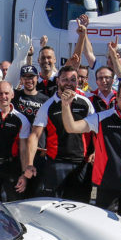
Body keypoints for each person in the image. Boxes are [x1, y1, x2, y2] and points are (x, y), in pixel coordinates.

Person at [58, 78, 121, 223]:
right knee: (104, 226)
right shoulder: (102, 118)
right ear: (116, 97)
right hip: (106, 184)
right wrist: (65, 105)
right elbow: (72, 127)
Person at [24, 65, 94, 201]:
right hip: (56, 163)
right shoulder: (48, 105)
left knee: (81, 207)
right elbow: (34, 136)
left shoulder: (85, 103)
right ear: (57, 81)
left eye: (73, 79)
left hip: (81, 163)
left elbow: (96, 132)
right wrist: (29, 164)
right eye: (64, 79)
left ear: (78, 81)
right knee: (52, 206)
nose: (69, 83)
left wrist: (95, 152)